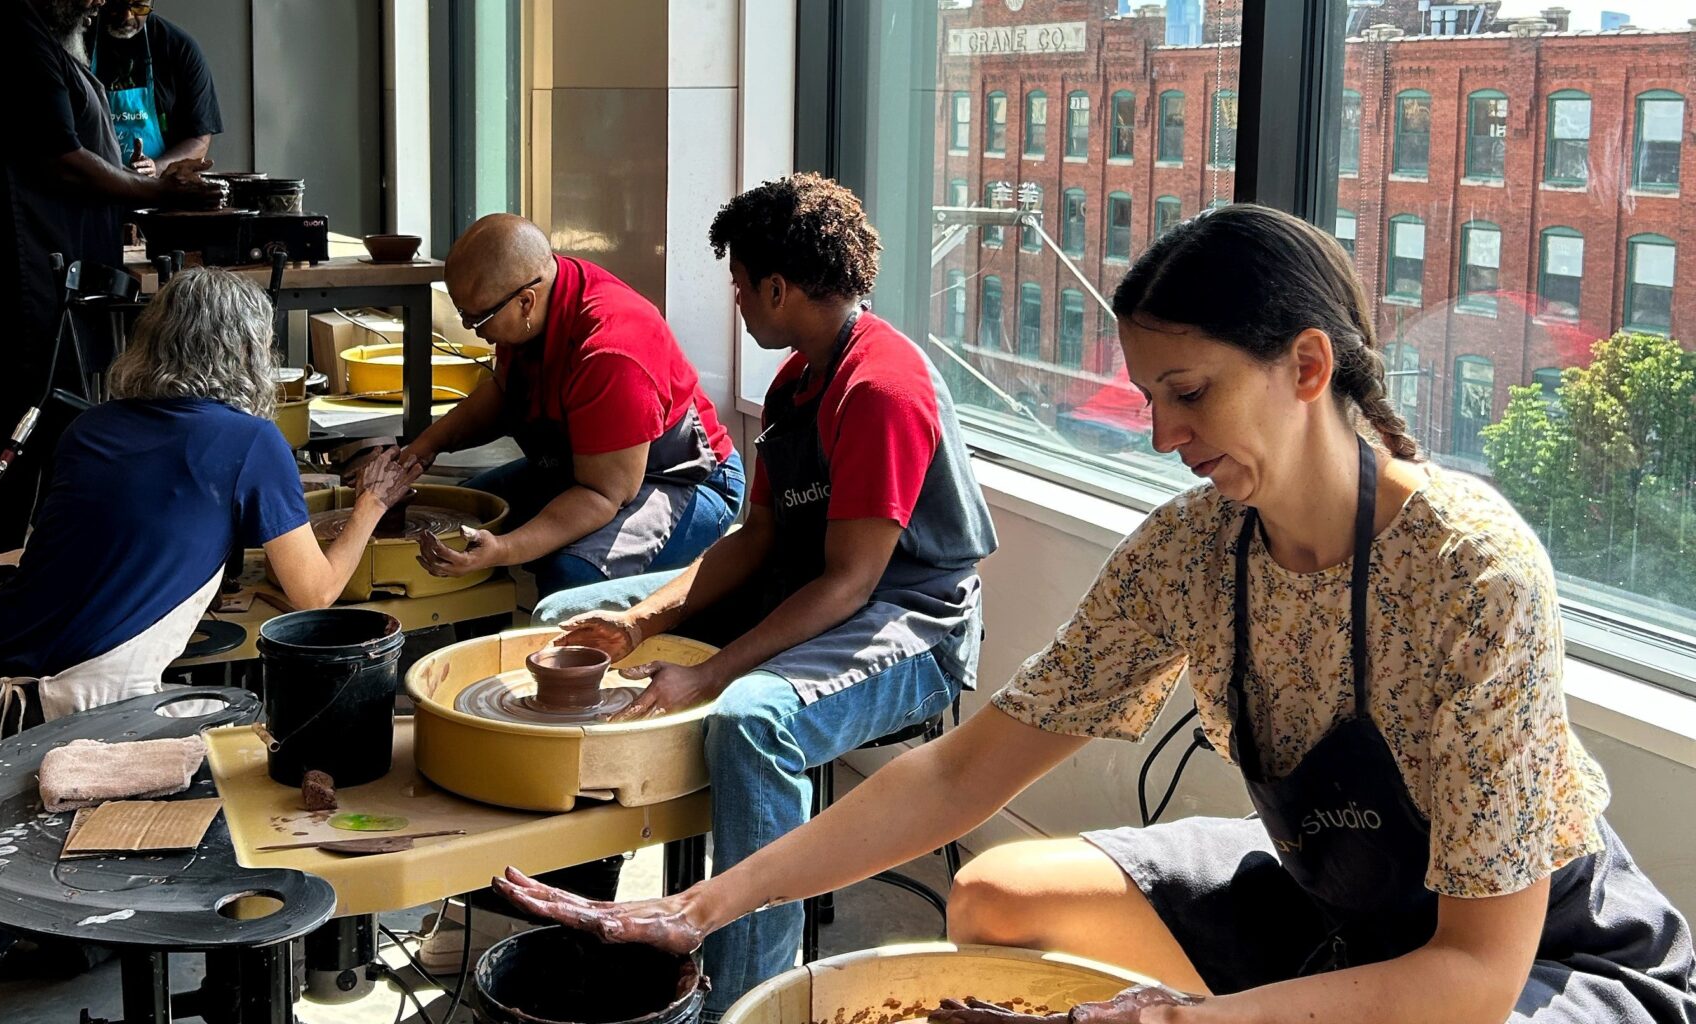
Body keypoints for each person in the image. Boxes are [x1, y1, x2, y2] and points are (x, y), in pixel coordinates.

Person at [497, 204, 1696, 1024]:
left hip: (1530, 962)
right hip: (1342, 909)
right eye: (1150, 397)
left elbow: (1472, 979)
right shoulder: (1194, 547)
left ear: (1309, 367)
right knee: (995, 894)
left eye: (1189, 393)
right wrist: (705, 901)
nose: (1164, 436)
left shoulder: (1471, 570)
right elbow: (963, 773)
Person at [510, 173, 998, 1011]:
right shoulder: (793, 382)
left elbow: (852, 584)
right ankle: (580, 899)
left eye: (739, 283)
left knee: (750, 719)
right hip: (810, 584)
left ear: (778, 286)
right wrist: (635, 623)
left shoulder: (882, 389)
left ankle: (751, 996)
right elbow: (758, 537)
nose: (734, 298)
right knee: (567, 621)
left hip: (912, 621)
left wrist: (710, 673)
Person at [0, 268, 423, 762]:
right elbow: (315, 594)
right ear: (248, 353)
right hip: (62, 710)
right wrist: (371, 504)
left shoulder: (88, 427)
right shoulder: (252, 441)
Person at [0, 0, 219, 558]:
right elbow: (61, 159)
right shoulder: (10, 26)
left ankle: (50, 572)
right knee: (17, 423)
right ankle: (4, 579)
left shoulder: (54, 30)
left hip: (46, 255)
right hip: (7, 257)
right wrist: (155, 191)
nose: (100, 3)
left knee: (57, 424)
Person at [403, 214, 745, 598]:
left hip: (676, 478)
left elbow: (603, 495)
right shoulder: (532, 298)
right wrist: (422, 448)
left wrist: (506, 549)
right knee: (466, 515)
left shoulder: (611, 351)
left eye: (476, 317)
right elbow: (503, 393)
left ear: (525, 302)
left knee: (568, 578)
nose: (469, 328)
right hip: (586, 466)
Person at [89, 0, 222, 176]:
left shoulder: (179, 48)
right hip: (90, 185)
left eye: (139, 6)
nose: (126, 16)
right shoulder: (76, 41)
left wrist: (156, 168)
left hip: (157, 193)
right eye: (118, 4)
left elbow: (199, 139)